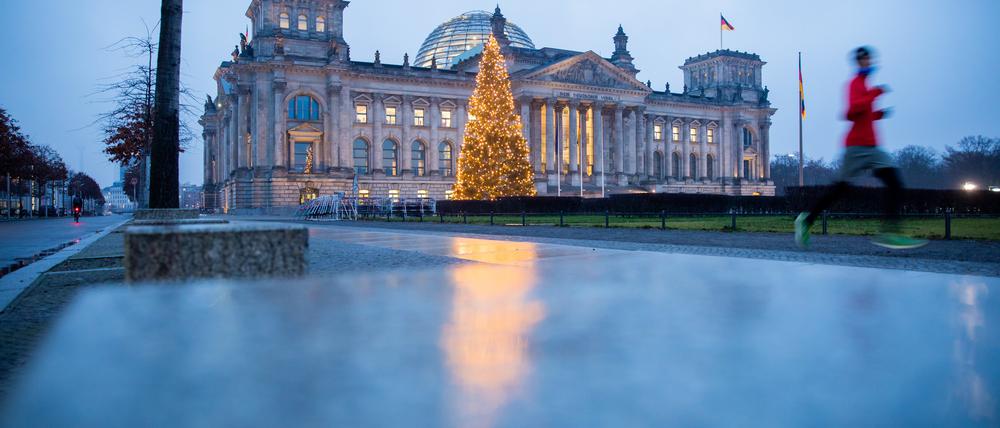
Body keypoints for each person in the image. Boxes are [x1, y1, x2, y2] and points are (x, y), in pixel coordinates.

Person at [794, 46, 927, 250]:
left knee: (895, 182)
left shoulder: (864, 84)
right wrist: (874, 94)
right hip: (856, 146)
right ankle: (806, 220)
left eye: (870, 59)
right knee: (840, 190)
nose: (868, 62)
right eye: (864, 59)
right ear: (858, 62)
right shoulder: (855, 84)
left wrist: (878, 114)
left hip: (872, 146)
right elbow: (850, 112)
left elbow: (863, 114)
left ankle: (890, 231)